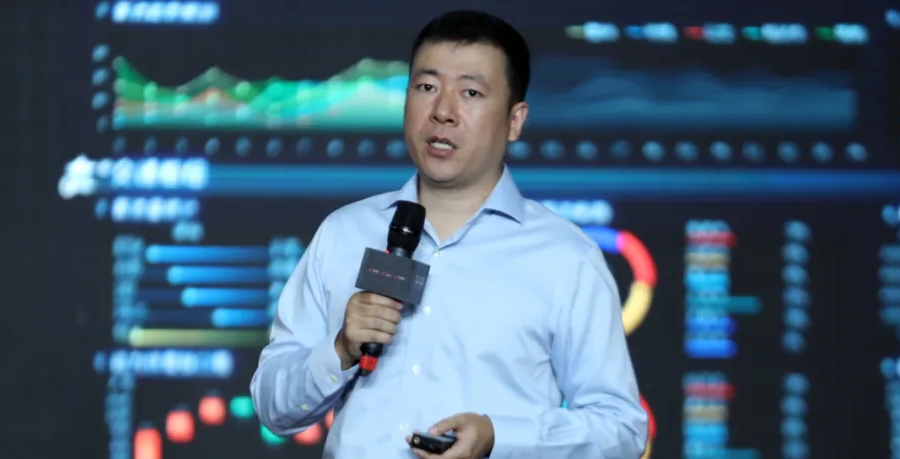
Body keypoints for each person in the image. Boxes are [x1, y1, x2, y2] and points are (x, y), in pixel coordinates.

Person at [250, 9, 649, 459]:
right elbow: (272, 407)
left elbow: (621, 430)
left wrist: (500, 438)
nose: (442, 112)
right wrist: (340, 349)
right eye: (426, 87)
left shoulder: (565, 257)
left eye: (471, 93)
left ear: (515, 121)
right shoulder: (344, 233)